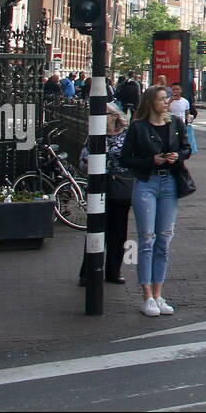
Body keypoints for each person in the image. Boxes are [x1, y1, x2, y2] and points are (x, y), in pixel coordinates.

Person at [121, 85, 191, 317]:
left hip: (169, 183)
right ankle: (147, 296)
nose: (166, 102)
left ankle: (159, 294)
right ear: (151, 102)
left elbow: (186, 149)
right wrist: (152, 160)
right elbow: (126, 158)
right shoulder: (138, 128)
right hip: (147, 184)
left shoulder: (176, 125)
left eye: (167, 99)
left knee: (164, 239)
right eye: (162, 99)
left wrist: (176, 157)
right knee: (147, 239)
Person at [77, 108, 132, 286]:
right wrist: (89, 162)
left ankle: (113, 271)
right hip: (99, 187)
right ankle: (89, 271)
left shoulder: (127, 135)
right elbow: (82, 161)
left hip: (120, 187)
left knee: (118, 230)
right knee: (96, 228)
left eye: (104, 114)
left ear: (115, 116)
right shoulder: (95, 135)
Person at [169, 82, 199, 152]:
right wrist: (169, 102)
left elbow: (187, 113)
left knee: (182, 141)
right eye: (173, 89)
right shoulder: (168, 101)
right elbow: (164, 112)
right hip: (171, 125)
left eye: (177, 89)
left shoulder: (185, 101)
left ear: (181, 90)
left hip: (182, 125)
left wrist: (189, 121)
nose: (175, 91)